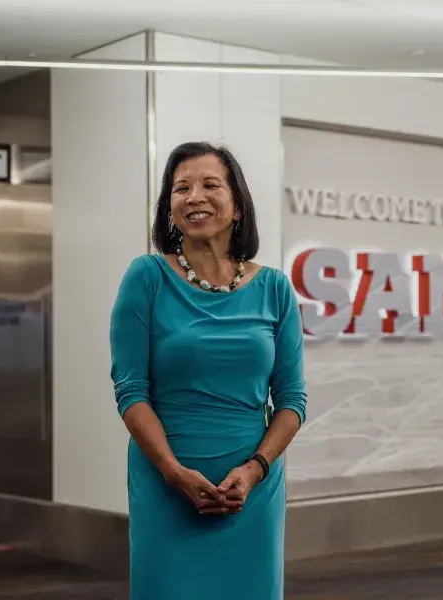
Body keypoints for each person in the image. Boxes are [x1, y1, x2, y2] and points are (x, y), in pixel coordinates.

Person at [109, 141, 307, 599]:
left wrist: (255, 469)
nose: (194, 196)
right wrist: (174, 472)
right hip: (166, 484)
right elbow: (130, 391)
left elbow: (293, 399)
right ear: (170, 208)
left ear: (237, 205)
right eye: (181, 188)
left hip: (252, 491)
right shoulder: (147, 277)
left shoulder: (275, 288)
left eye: (209, 184)